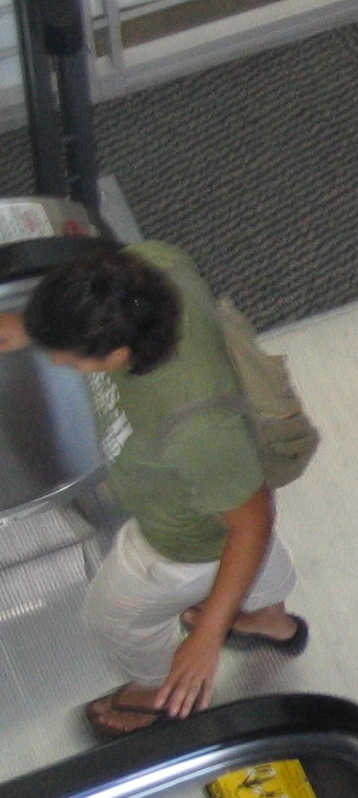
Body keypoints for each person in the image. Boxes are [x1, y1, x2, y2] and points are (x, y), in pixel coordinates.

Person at [1, 245, 308, 737]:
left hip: (179, 539)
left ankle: (151, 689)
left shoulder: (194, 427)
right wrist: (30, 326)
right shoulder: (153, 268)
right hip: (221, 497)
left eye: (68, 358)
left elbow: (251, 524)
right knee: (250, 548)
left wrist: (205, 639)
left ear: (118, 354)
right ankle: (270, 621)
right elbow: (247, 513)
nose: (56, 359)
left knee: (114, 619)